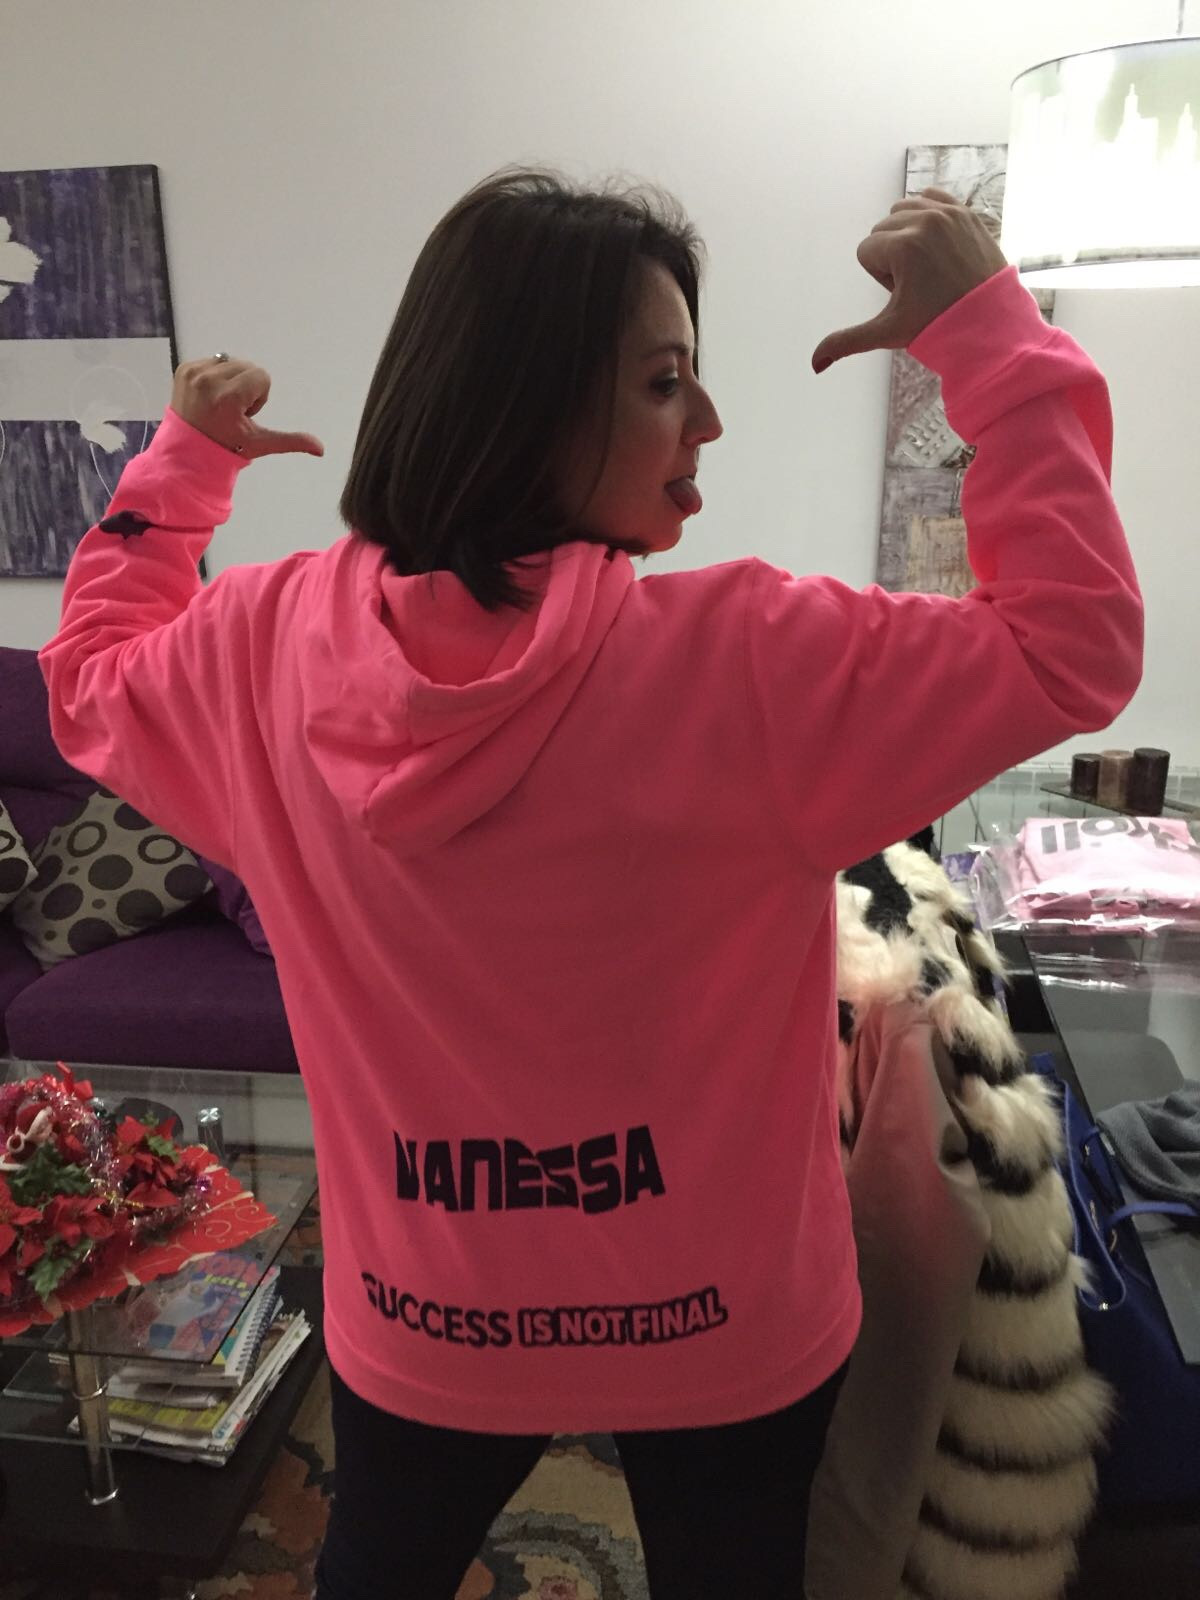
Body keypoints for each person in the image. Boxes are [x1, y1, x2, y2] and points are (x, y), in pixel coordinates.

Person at [37, 169, 1142, 1599]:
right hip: (726, 1322)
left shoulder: (259, 652)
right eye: (666, 382)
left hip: (427, 1313)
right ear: (526, 404)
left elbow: (85, 678)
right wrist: (989, 338)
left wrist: (182, 470)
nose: (709, 420)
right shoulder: (752, 662)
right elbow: (1071, 642)